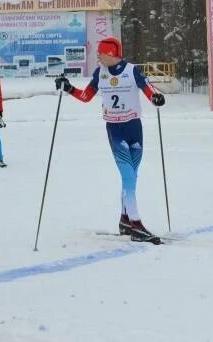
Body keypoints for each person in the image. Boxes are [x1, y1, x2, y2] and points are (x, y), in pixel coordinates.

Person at [55, 37, 165, 243]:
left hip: (134, 127)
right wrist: (68, 88)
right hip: (115, 129)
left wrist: (155, 98)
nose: (98, 56)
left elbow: (148, 89)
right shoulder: (100, 74)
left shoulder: (132, 71)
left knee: (132, 175)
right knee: (128, 177)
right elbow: (86, 96)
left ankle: (124, 220)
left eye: (101, 53)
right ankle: (136, 224)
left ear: (111, 54)